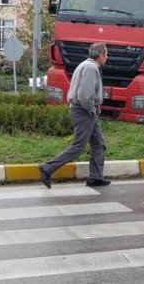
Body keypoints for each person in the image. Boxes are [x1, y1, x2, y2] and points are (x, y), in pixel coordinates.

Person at [39, 42, 110, 188]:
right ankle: (47, 168)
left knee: (99, 144)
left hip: (84, 110)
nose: (107, 57)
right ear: (101, 55)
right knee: (78, 146)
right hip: (83, 110)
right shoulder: (91, 68)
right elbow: (84, 95)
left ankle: (96, 177)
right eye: (106, 54)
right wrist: (92, 109)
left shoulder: (85, 65)